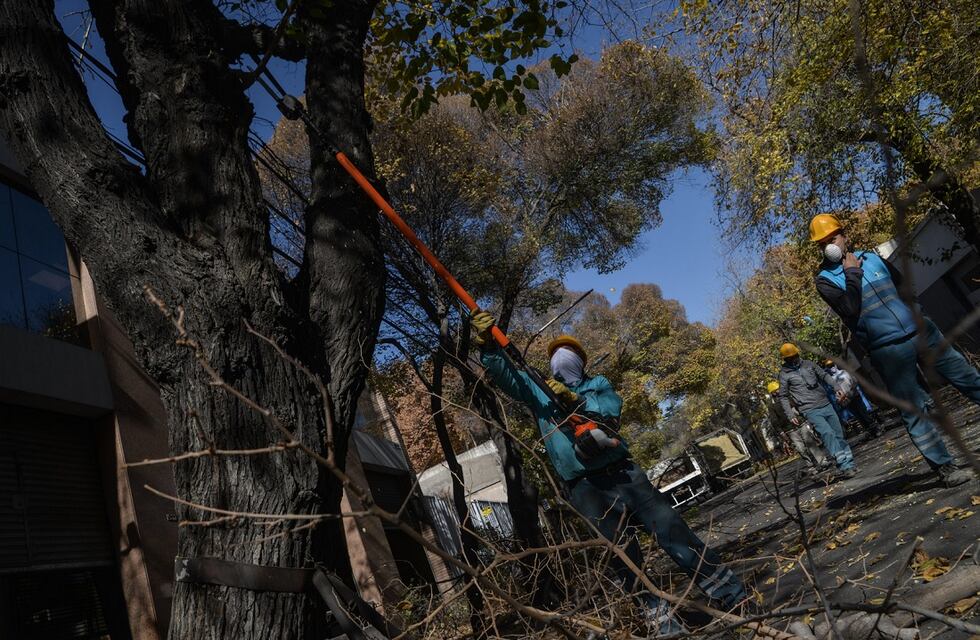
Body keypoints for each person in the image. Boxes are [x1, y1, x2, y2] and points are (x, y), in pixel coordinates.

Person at [470, 311, 748, 633]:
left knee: (674, 532)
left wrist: (575, 399)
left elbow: (608, 415)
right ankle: (665, 625)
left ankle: (733, 597)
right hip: (586, 489)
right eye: (557, 356)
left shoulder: (598, 384)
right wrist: (488, 346)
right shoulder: (537, 392)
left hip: (625, 475)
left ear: (581, 361)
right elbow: (507, 377)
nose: (562, 359)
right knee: (625, 558)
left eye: (569, 353)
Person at [810, 213, 977, 487]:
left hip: (923, 334)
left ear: (844, 235)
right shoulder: (825, 280)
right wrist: (852, 273)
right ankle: (946, 469)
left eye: (834, 237)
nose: (831, 245)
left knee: (968, 379)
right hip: (888, 350)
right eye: (823, 243)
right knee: (915, 409)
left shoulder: (873, 258)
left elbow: (903, 287)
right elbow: (849, 308)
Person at [776, 343, 858, 479]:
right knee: (827, 434)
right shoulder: (784, 375)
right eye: (789, 358)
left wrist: (836, 387)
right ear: (785, 360)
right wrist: (790, 414)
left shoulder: (808, 364)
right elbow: (783, 396)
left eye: (794, 356)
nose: (793, 359)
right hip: (809, 409)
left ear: (797, 354)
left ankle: (850, 463)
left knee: (839, 434)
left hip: (825, 403)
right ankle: (843, 465)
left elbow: (824, 375)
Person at [765, 381, 829, 475]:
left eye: (778, 389)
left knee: (810, 443)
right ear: (772, 393)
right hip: (789, 430)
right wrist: (781, 433)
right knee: (801, 449)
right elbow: (774, 421)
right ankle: (811, 466)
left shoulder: (788, 398)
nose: (778, 391)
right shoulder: (772, 406)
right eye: (776, 390)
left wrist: (806, 419)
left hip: (801, 424)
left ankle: (823, 461)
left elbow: (799, 408)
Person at [820, 359, 883, 439]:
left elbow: (855, 382)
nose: (832, 368)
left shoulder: (844, 373)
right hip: (846, 401)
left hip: (855, 396)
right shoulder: (831, 380)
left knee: (864, 413)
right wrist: (839, 400)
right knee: (858, 417)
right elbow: (834, 393)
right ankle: (869, 431)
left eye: (832, 365)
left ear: (835, 365)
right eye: (829, 367)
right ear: (827, 369)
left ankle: (876, 428)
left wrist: (851, 391)